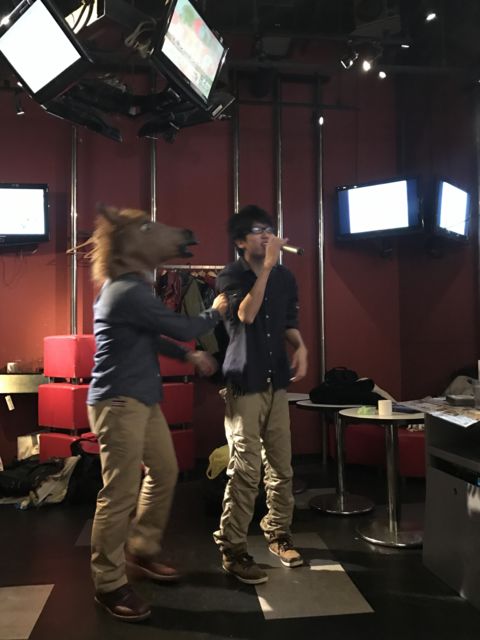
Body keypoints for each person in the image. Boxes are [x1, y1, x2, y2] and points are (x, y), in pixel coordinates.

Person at [85, 205, 228, 622]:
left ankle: (141, 548)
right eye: (146, 230)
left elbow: (150, 337)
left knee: (164, 470)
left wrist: (188, 356)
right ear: (129, 246)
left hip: (140, 400)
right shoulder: (126, 291)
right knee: (119, 493)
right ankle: (108, 583)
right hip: (118, 402)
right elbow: (180, 327)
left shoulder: (130, 289)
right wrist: (216, 311)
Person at [213, 204, 308, 585]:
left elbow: (287, 323)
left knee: (282, 466)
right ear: (240, 241)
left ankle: (278, 532)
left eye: (269, 228)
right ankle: (233, 548)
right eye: (256, 230)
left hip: (276, 380)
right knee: (245, 470)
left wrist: (300, 346)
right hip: (244, 381)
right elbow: (246, 315)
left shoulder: (286, 277)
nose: (266, 234)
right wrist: (266, 267)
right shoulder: (230, 275)